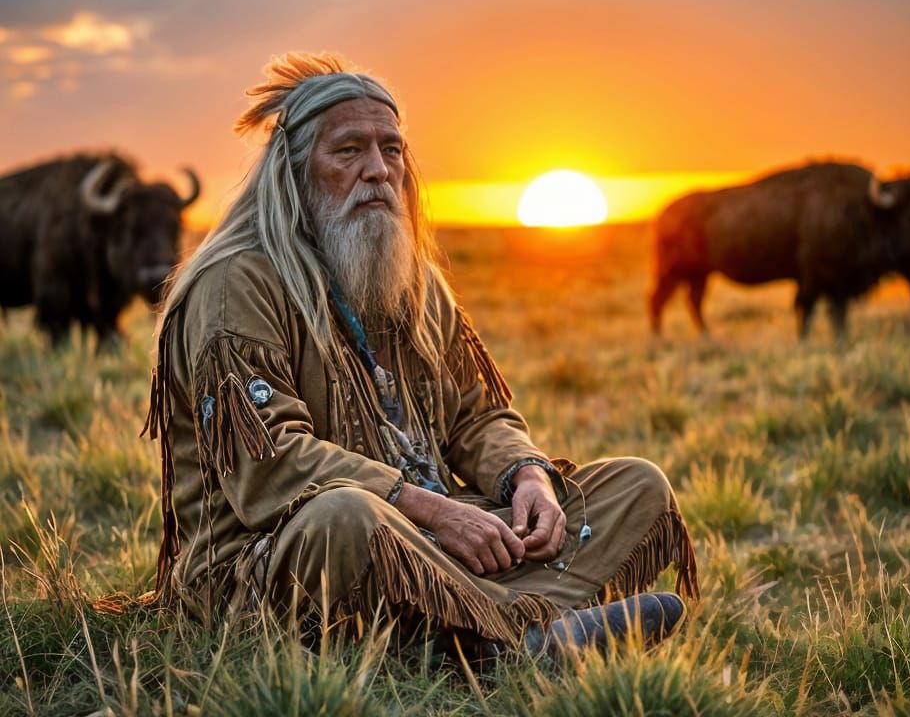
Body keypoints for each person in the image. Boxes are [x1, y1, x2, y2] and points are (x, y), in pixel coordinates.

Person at [145, 52, 699, 656]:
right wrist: (430, 511)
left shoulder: (414, 280)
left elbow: (478, 416)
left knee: (636, 486)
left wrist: (527, 477)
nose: (378, 170)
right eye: (349, 150)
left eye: (392, 149)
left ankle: (490, 628)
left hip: (429, 533)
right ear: (296, 172)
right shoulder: (235, 283)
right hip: (271, 558)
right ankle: (504, 646)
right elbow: (270, 461)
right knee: (346, 518)